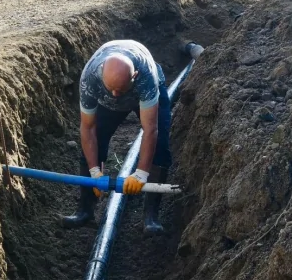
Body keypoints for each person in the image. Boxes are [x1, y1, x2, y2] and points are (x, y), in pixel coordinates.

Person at [61, 39, 202, 235]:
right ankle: (85, 211)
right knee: (94, 145)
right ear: (102, 73)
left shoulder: (145, 77)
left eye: (120, 89)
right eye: (111, 88)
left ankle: (151, 217)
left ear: (134, 76)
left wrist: (140, 174)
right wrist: (95, 171)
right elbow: (87, 128)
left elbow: (150, 129)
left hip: (144, 95)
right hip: (106, 102)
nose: (116, 94)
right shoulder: (90, 79)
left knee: (160, 148)